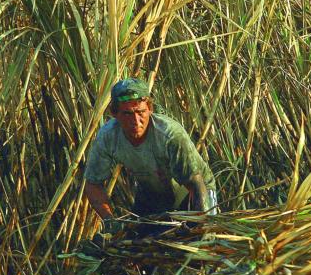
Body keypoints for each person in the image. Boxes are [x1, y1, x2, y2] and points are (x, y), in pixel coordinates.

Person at [83, 78, 218, 224]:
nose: (136, 121)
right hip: (154, 194)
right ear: (114, 113)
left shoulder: (169, 134)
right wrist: (110, 221)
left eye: (140, 112)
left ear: (150, 109)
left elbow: (195, 182)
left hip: (194, 190)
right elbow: (92, 184)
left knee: (201, 232)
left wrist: (201, 224)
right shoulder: (108, 137)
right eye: (127, 114)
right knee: (137, 236)